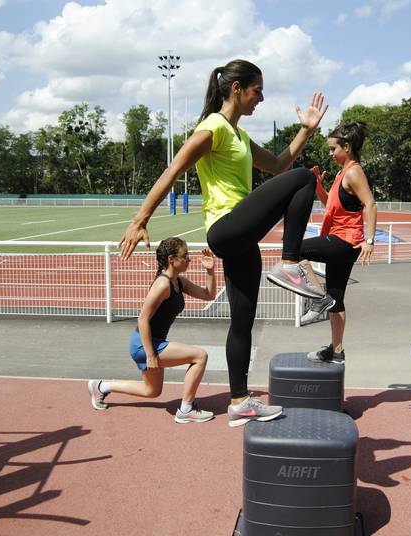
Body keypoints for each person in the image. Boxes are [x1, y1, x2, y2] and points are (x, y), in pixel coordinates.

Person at [118, 59, 328, 427]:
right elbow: (172, 170)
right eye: (257, 90)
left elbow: (278, 164)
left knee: (242, 321)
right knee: (303, 179)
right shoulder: (212, 128)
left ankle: (240, 401)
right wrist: (140, 220)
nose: (260, 98)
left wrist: (306, 131)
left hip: (240, 238)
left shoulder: (241, 136)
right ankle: (292, 261)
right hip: (225, 226)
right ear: (236, 89)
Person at [88, 237, 217, 424]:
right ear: (172, 259)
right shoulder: (163, 284)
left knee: (152, 391)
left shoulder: (178, 282)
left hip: (153, 342)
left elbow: (208, 295)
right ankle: (186, 409)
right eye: (185, 255)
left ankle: (100, 386)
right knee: (200, 356)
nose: (189, 259)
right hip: (144, 344)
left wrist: (210, 271)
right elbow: (143, 319)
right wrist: (150, 354)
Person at [300, 121, 377, 365]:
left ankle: (317, 297)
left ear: (347, 146)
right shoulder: (343, 173)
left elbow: (370, 204)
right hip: (343, 240)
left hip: (345, 240)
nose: (331, 154)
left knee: (295, 249)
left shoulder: (353, 171)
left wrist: (370, 240)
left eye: (334, 149)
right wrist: (319, 188)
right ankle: (337, 350)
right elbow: (332, 207)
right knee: (337, 298)